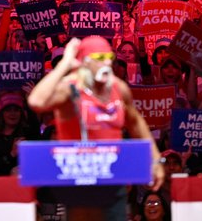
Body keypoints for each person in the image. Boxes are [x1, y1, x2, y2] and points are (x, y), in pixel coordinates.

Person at [28, 37, 164, 220]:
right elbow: (36, 101)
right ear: (84, 62)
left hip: (113, 179)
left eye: (109, 56)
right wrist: (65, 64)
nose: (107, 62)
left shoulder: (118, 88)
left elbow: (136, 122)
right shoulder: (71, 89)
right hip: (80, 181)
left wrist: (155, 159)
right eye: (100, 57)